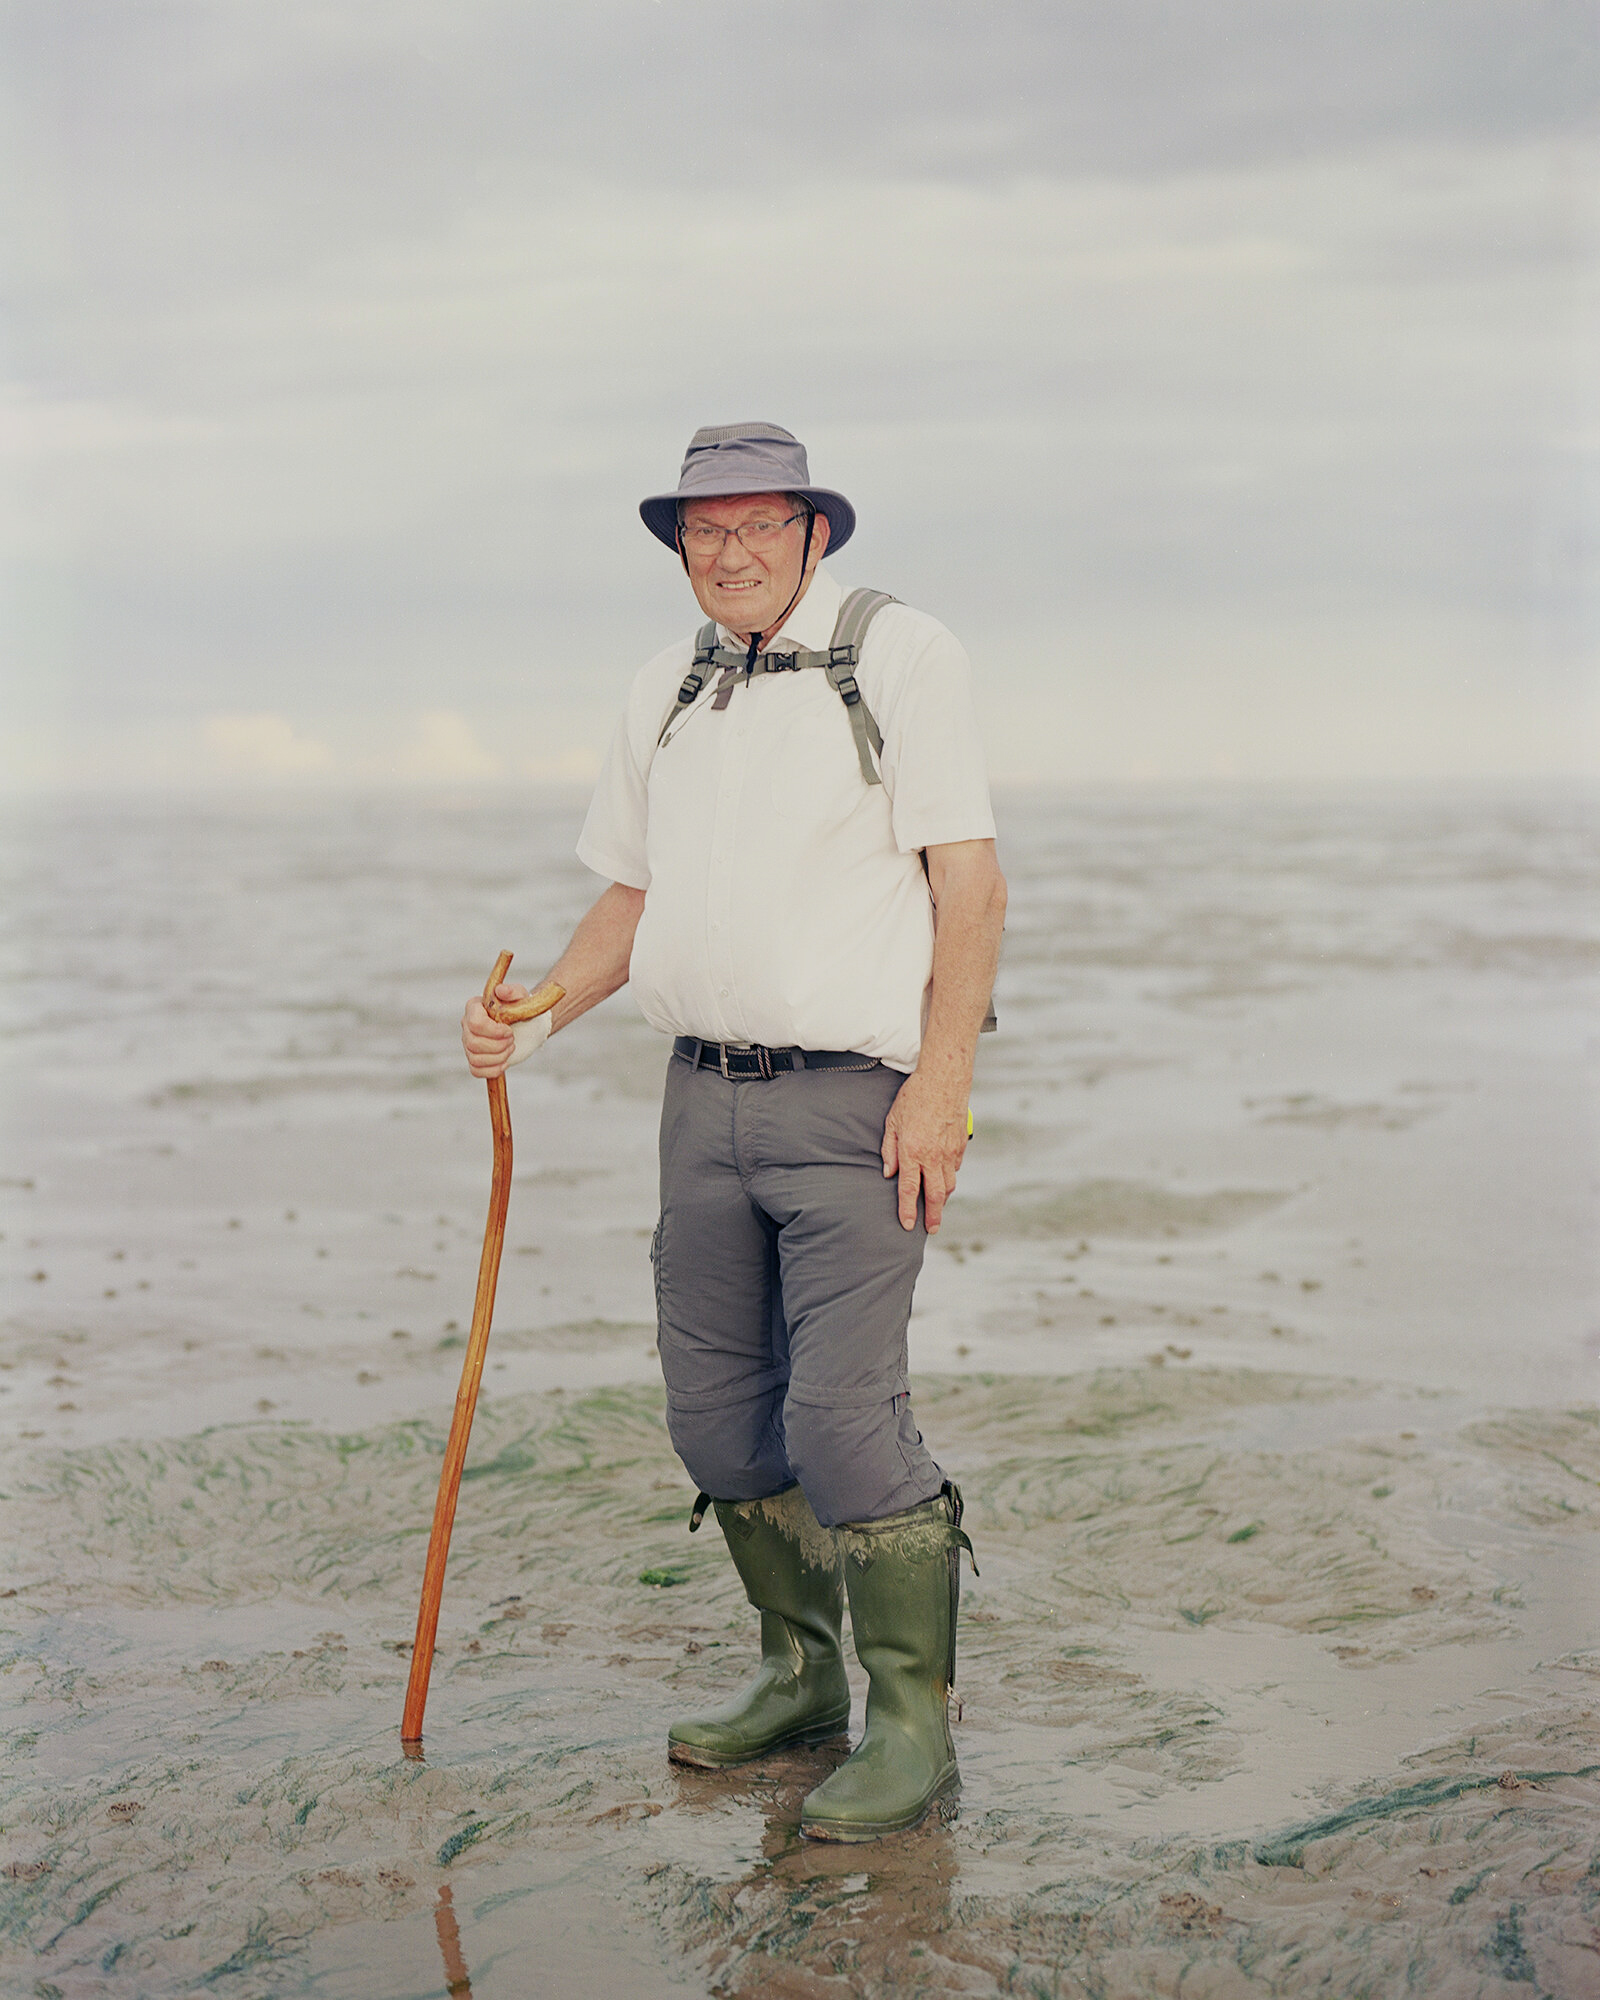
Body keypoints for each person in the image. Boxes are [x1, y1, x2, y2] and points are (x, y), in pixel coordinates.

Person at [462, 422, 1005, 1841]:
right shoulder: (665, 684)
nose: (734, 553)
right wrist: (533, 1016)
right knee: (714, 1415)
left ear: (814, 531)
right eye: (707, 534)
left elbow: (972, 886)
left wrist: (943, 1084)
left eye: (762, 526)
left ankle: (911, 1726)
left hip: (855, 1103)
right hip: (697, 1103)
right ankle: (797, 1678)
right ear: (680, 549)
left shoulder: (899, 654)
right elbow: (628, 901)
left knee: (839, 1419)